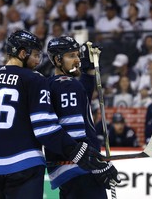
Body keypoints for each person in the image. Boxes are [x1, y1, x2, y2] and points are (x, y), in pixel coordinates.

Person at [0, 30, 119, 199]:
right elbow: (45, 129)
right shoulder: (34, 79)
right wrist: (83, 155)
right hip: (25, 165)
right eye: (34, 55)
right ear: (21, 53)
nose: (37, 61)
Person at [46, 36, 120, 198]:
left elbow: (81, 97)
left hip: (67, 169)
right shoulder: (68, 84)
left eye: (78, 55)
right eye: (71, 56)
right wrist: (95, 164)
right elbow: (75, 133)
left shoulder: (53, 84)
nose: (77, 60)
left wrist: (89, 70)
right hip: (80, 168)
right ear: (58, 60)